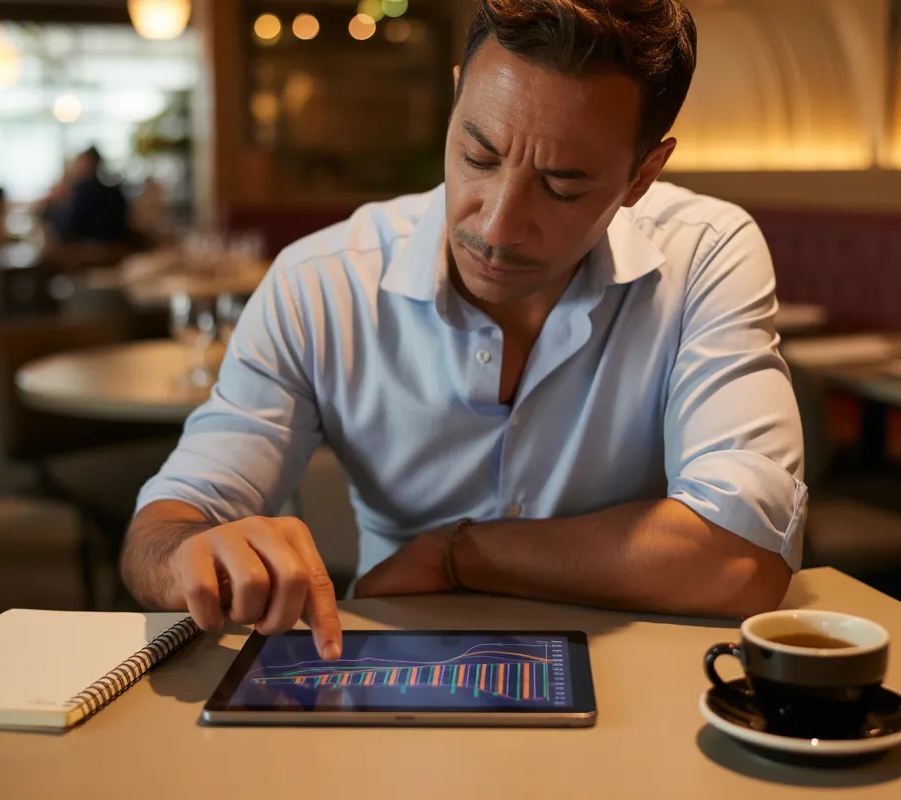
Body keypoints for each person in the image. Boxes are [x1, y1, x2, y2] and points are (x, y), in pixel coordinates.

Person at [123, 0, 806, 661]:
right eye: (479, 155)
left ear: (642, 176)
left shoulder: (706, 254)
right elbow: (163, 528)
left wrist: (456, 555)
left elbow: (742, 558)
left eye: (563, 185)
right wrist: (190, 553)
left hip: (635, 688)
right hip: (387, 676)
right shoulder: (320, 284)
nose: (497, 226)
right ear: (457, 99)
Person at [42, 147, 131, 245]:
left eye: (79, 162)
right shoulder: (113, 189)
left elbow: (68, 225)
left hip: (89, 247)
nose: (75, 167)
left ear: (90, 163)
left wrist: (49, 206)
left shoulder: (84, 189)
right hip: (116, 245)